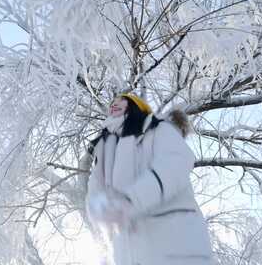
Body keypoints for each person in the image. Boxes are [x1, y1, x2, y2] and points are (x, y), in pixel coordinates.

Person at [84, 93, 215, 265]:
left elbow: (175, 162)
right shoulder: (104, 149)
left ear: (137, 105)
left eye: (122, 100)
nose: (114, 104)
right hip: (129, 253)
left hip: (177, 244)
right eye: (112, 102)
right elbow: (95, 192)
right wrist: (98, 209)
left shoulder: (159, 128)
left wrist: (131, 200)